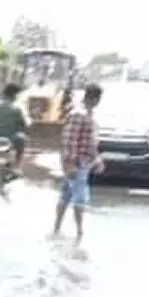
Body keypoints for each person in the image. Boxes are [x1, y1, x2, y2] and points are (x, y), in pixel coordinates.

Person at [53, 83, 103, 243]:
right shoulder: (79, 114)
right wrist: (70, 164)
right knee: (79, 198)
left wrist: (97, 159)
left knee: (66, 196)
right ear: (94, 98)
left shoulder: (88, 115)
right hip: (78, 163)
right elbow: (70, 141)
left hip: (84, 161)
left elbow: (89, 141)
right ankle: (79, 233)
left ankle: (57, 228)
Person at [0, 82, 29, 167]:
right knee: (22, 140)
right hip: (13, 138)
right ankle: (17, 165)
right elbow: (24, 123)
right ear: (15, 95)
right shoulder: (18, 106)